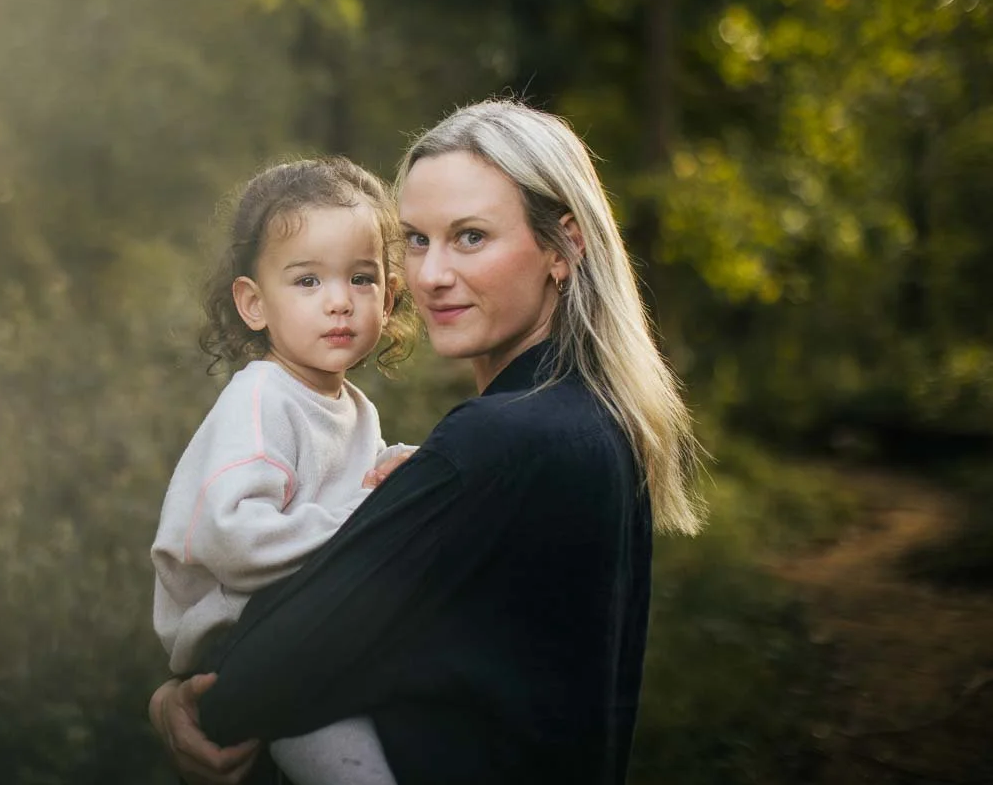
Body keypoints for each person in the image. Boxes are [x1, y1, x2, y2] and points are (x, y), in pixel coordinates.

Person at [148, 99, 707, 785]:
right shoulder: (593, 421)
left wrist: (178, 699)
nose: (430, 275)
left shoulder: (500, 441)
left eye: (469, 237)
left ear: (563, 249)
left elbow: (256, 681)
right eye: (415, 239)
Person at [150, 157, 421, 785]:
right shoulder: (261, 399)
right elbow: (234, 539)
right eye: (307, 281)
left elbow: (338, 496)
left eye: (361, 278)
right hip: (242, 643)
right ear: (253, 303)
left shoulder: (353, 405)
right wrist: (372, 512)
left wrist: (391, 472)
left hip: (311, 629)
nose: (339, 303)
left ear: (390, 294)